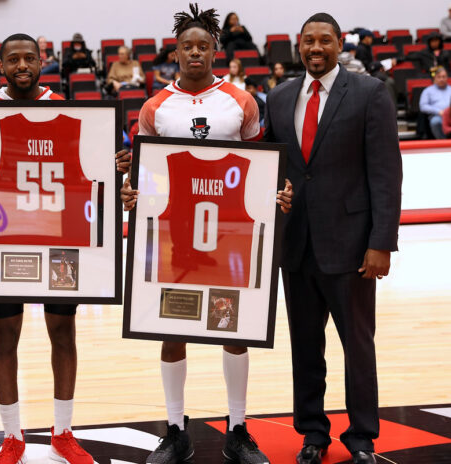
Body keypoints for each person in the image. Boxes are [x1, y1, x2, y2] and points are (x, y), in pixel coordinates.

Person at [117, 4, 292, 463]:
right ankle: (176, 430)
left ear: (216, 50)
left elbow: (259, 164)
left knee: (233, 329)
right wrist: (132, 192)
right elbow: (146, 173)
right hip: (174, 235)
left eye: (203, 46)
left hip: (231, 233)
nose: (195, 52)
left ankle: (238, 428)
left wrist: (273, 196)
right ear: (175, 53)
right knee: (172, 330)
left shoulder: (242, 101)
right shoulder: (155, 107)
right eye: (186, 46)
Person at [263, 13, 402, 464]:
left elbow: (385, 173)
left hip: (352, 246)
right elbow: (267, 166)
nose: (316, 48)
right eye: (308, 41)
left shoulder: (369, 92)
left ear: (339, 44)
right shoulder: (279, 97)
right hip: (297, 245)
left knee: (358, 346)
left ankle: (362, 438)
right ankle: (313, 434)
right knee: (306, 347)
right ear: (297, 46)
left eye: (325, 40)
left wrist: (381, 241)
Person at [0, 33, 95, 464]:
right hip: (2, 241)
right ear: (0, 65)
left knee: (63, 333)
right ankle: (12, 435)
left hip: (58, 237)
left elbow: (87, 176)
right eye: (12, 59)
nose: (21, 65)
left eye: (28, 58)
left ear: (41, 61)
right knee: (4, 335)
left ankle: (63, 431)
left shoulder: (68, 108)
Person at [420, 66, 451, 139]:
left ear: (447, 78)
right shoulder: (428, 91)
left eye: (444, 77)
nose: (441, 79)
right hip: (438, 116)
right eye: (439, 77)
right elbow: (423, 106)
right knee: (435, 122)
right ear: (435, 78)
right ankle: (443, 143)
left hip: (450, 115)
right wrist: (438, 111)